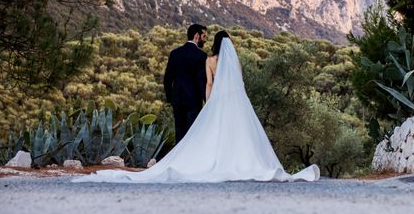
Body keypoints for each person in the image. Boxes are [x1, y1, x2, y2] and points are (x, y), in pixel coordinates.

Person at [74, 31, 319, 183]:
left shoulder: (209, 60)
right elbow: (241, 84)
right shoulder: (234, 62)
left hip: (217, 102)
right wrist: (241, 100)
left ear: (214, 43)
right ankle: (243, 162)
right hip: (238, 102)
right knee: (241, 134)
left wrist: (209, 103)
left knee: (210, 133)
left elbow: (209, 84)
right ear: (230, 45)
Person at [163, 24, 208, 144]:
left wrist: (170, 98)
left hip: (177, 100)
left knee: (179, 133)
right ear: (197, 36)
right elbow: (201, 81)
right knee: (192, 134)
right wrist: (206, 100)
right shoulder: (201, 56)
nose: (205, 40)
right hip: (194, 101)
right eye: (204, 36)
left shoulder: (175, 53)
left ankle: (178, 161)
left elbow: (167, 78)